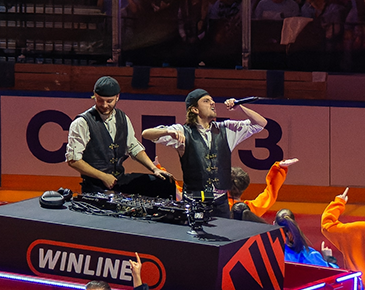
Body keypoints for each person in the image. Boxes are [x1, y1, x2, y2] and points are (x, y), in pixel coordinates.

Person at [142, 90, 268, 220]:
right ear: (195, 109)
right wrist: (168, 132)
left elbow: (261, 124)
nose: (212, 103)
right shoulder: (183, 131)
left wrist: (240, 107)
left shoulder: (226, 129)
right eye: (206, 101)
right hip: (194, 202)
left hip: (221, 204)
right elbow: (146, 134)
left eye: (212, 100)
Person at [66, 76, 176, 196]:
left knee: (165, 183)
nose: (104, 105)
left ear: (117, 97)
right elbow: (73, 160)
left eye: (109, 101)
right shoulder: (82, 123)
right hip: (95, 185)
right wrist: (103, 176)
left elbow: (134, 147)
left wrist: (154, 169)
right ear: (94, 96)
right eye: (100, 100)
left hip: (119, 180)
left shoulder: (122, 118)